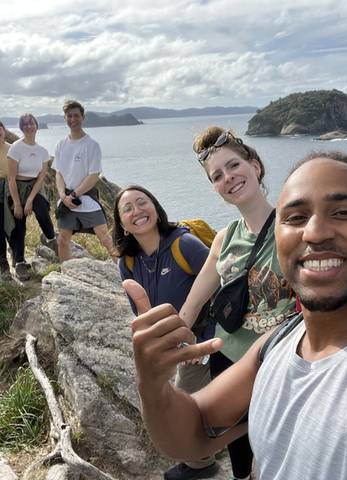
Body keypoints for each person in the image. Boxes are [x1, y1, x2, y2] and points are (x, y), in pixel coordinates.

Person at [124, 151, 347, 480]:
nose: (314, 232)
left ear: (256, 167)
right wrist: (154, 385)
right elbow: (194, 431)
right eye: (295, 218)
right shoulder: (281, 343)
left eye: (343, 212)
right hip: (234, 355)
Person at [176, 127, 294, 480]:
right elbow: (193, 304)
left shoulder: (292, 227)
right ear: (215, 188)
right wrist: (182, 345)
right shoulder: (225, 238)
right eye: (217, 176)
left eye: (233, 165)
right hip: (228, 365)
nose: (228, 178)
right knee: (241, 460)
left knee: (282, 454)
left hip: (280, 364)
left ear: (255, 165)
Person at [113, 185, 219, 479]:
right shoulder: (128, 262)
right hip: (172, 345)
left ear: (155, 208)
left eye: (142, 202)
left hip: (206, 340)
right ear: (122, 224)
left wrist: (204, 339)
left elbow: (224, 287)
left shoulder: (184, 245)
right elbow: (140, 312)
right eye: (128, 209)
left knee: (186, 404)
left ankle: (201, 465)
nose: (137, 211)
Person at [52, 99, 113, 262]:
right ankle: (67, 273)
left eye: (76, 116)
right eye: (69, 116)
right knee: (63, 239)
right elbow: (58, 173)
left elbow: (94, 175)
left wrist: (74, 194)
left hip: (86, 197)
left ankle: (127, 275)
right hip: (66, 200)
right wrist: (63, 195)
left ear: (83, 117)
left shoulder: (92, 145)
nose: (73, 119)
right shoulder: (60, 145)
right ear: (65, 118)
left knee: (105, 239)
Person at [5, 113, 57, 281]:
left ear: (36, 126)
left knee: (42, 209)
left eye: (31, 123)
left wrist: (29, 201)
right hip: (16, 187)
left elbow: (41, 177)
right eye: (25, 124)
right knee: (18, 224)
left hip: (34, 186)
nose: (29, 126)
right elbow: (11, 178)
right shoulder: (16, 148)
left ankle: (51, 239)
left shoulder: (42, 151)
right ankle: (19, 262)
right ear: (21, 127)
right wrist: (18, 204)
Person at [0, 121, 11, 280]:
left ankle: (17, 255)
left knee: (12, 223)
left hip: (11, 189)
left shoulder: (12, 148)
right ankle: (3, 263)